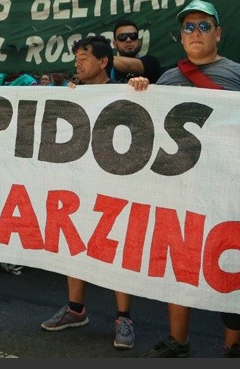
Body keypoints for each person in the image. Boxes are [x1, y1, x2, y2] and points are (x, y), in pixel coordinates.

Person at [128, 0, 240, 358]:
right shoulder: (168, 80)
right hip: (181, 188)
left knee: (230, 263)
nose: (196, 33)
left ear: (218, 33)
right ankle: (179, 339)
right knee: (178, 263)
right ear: (180, 36)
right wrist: (140, 90)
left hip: (232, 190)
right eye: (189, 27)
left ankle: (232, 346)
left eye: (204, 26)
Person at [39, 35, 136, 350]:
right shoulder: (73, 94)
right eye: (76, 59)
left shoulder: (126, 92)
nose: (77, 64)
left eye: (83, 57)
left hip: (114, 186)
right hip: (79, 184)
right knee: (73, 245)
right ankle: (75, 309)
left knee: (117, 250)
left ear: (103, 61)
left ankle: (123, 318)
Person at [110, 19, 163, 83]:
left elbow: (128, 65)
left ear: (139, 41)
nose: (128, 40)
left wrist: (102, 59)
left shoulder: (151, 63)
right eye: (122, 37)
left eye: (133, 36)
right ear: (114, 44)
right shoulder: (107, 69)